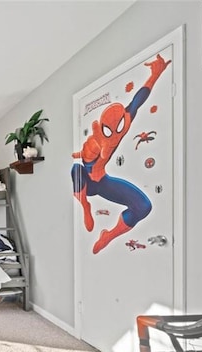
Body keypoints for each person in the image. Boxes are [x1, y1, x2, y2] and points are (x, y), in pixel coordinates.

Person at [71, 54, 171, 254]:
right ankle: (85, 206)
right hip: (88, 184)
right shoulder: (95, 141)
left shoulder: (124, 121)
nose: (116, 133)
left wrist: (155, 74)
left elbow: (138, 100)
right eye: (109, 130)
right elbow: (90, 157)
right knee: (76, 169)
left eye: (120, 127)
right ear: (102, 127)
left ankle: (108, 235)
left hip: (104, 182)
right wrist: (100, 146)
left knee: (144, 206)